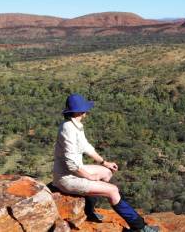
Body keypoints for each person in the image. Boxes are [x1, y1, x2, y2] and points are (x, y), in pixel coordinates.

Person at [52, 93, 159, 232]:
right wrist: (89, 177)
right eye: (84, 109)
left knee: (107, 173)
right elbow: (71, 164)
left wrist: (104, 162)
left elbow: (86, 146)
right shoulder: (68, 129)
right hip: (67, 177)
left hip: (75, 172)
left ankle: (89, 210)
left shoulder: (75, 125)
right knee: (113, 191)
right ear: (80, 111)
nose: (86, 112)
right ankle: (140, 227)